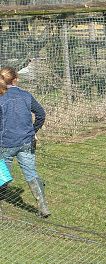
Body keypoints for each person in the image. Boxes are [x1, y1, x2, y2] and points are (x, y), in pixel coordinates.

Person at [0, 66, 51, 218]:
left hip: (5, 144)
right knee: (31, 174)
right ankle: (43, 207)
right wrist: (32, 131)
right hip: (26, 143)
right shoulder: (26, 95)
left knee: (2, 175)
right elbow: (41, 114)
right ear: (15, 79)